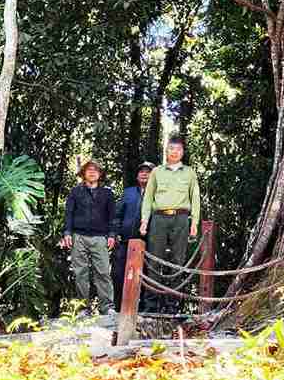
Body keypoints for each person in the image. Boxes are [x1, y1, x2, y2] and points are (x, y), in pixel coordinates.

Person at [139, 135, 201, 313]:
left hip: (181, 219)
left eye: (179, 149)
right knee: (153, 259)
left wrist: (194, 222)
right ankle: (151, 305)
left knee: (177, 261)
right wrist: (145, 221)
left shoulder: (189, 172)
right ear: (166, 150)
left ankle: (172, 306)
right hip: (159, 219)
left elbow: (195, 198)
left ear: (183, 152)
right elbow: (148, 199)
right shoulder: (157, 172)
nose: (175, 152)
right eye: (172, 148)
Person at [59, 161, 117, 315]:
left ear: (100, 174)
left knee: (103, 272)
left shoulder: (107, 193)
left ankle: (107, 307)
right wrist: (67, 233)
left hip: (100, 237)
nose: (92, 172)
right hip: (79, 236)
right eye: (89, 170)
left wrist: (112, 235)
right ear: (83, 173)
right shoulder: (75, 192)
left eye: (95, 170)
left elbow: (113, 217)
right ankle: (83, 308)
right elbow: (69, 214)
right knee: (80, 273)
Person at [111, 161, 153, 310]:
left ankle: (143, 308)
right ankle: (119, 307)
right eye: (141, 171)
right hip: (125, 241)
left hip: (148, 243)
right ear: (137, 175)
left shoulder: (157, 194)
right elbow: (117, 214)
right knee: (118, 274)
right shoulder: (128, 192)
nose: (144, 174)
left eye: (147, 172)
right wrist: (115, 233)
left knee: (146, 275)